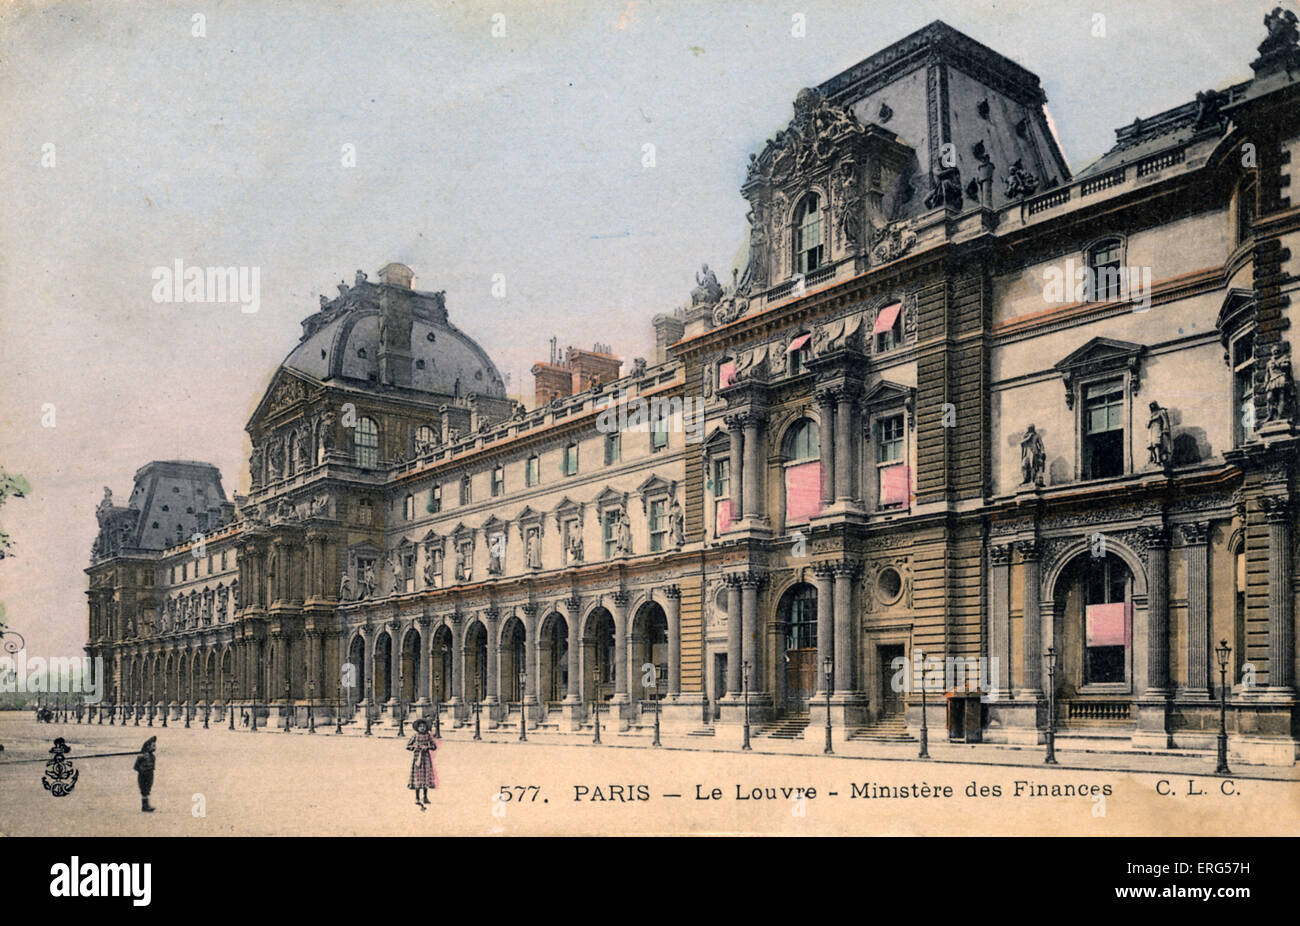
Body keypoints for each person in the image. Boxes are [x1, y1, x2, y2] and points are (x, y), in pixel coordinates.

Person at [406, 718, 438, 808]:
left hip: (426, 759)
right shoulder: (415, 736)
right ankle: (417, 797)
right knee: (418, 777)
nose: (422, 728)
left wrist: (428, 747)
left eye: (424, 726)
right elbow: (408, 746)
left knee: (425, 777)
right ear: (417, 728)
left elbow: (434, 746)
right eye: (420, 726)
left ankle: (425, 797)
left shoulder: (428, 736)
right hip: (417, 759)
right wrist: (415, 747)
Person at [134, 736, 157, 812]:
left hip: (150, 775)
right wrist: (142, 771)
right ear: (148, 747)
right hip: (143, 775)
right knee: (144, 791)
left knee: (147, 790)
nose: (155, 747)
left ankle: (146, 805)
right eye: (153, 746)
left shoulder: (152, 756)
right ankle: (144, 806)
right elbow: (136, 766)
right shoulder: (142, 756)